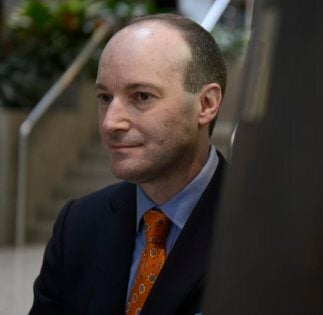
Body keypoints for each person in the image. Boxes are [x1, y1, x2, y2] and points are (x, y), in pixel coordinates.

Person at [30, 13, 227, 315]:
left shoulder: (263, 227)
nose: (110, 123)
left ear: (206, 104)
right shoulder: (78, 224)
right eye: (105, 97)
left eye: (142, 96)